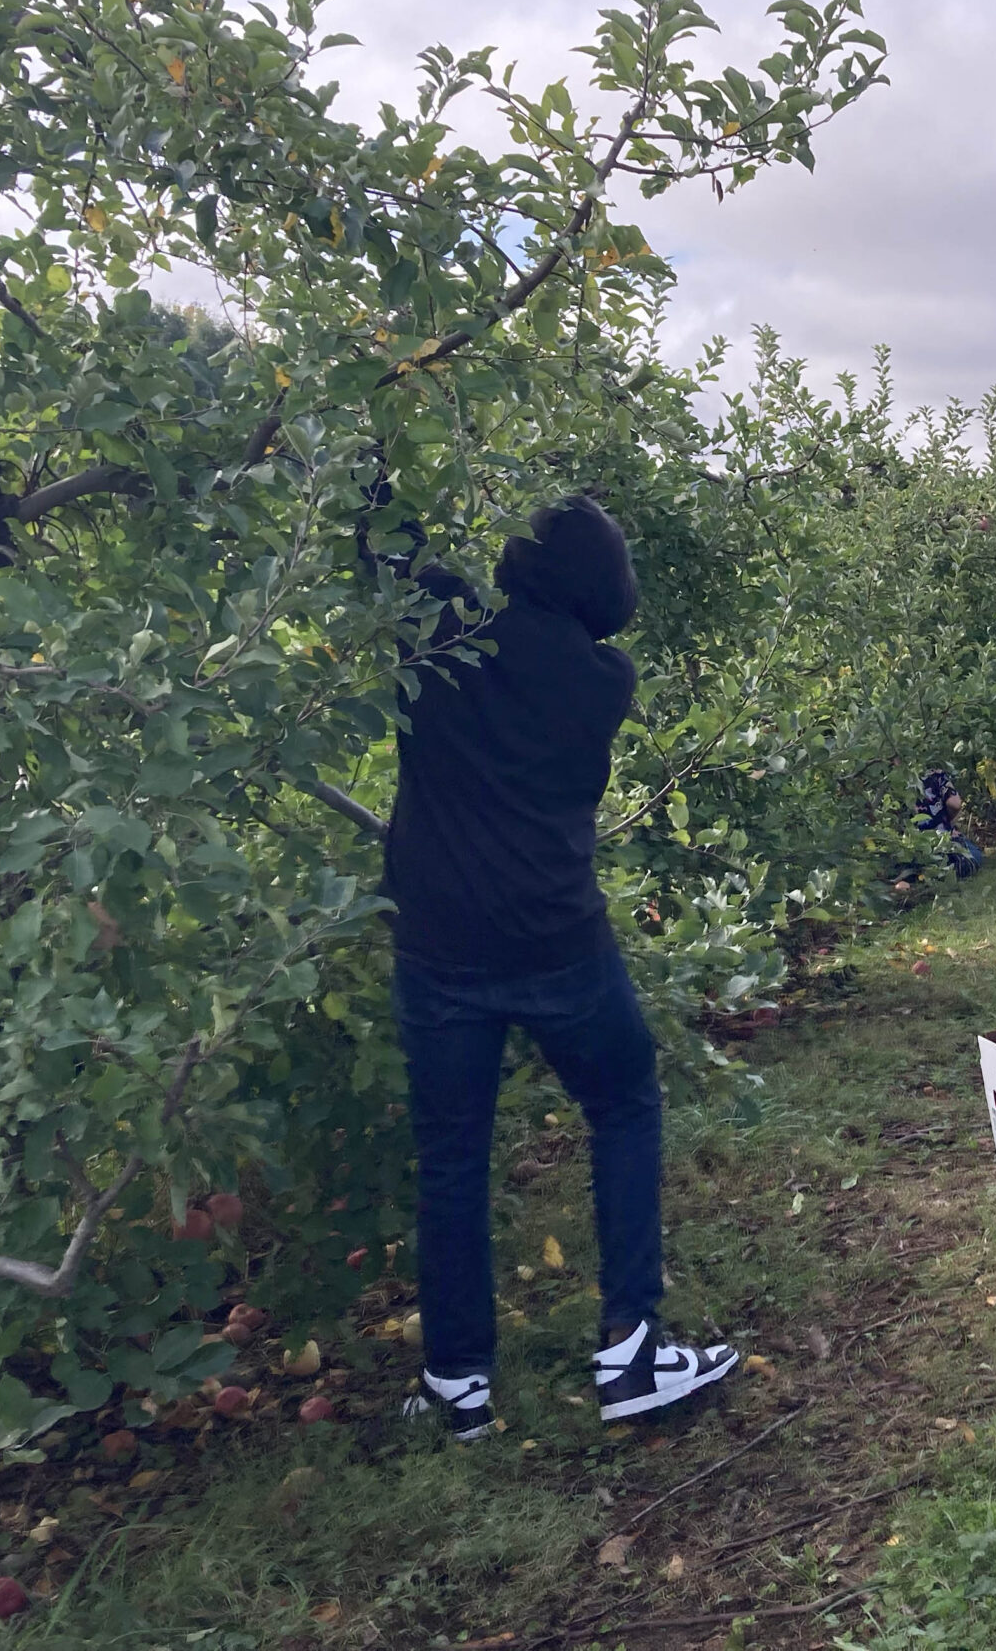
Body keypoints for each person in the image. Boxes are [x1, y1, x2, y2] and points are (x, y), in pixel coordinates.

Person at [383, 497, 740, 1439]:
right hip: (558, 942)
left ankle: (457, 1381)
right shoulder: (602, 679)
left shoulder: (440, 635)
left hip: (440, 948)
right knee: (623, 1103)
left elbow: (388, 544)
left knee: (452, 1157)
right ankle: (629, 1350)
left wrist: (375, 425)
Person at [913, 768, 984, 878]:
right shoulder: (934, 773)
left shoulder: (889, 780)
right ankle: (953, 869)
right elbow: (955, 804)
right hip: (944, 839)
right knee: (971, 855)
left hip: (913, 846)